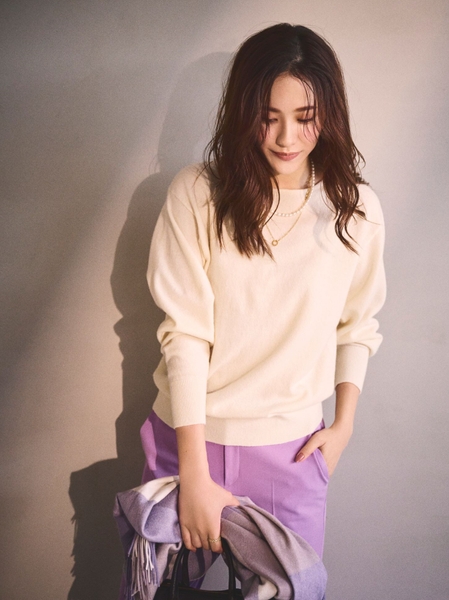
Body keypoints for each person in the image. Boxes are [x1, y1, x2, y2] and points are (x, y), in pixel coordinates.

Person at [140, 23, 386, 564]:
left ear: (329, 114)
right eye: (268, 117)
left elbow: (358, 324)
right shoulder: (197, 193)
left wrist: (343, 426)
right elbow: (185, 334)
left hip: (292, 453)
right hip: (187, 442)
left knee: (299, 590)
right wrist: (194, 473)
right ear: (243, 113)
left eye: (304, 117)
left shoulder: (355, 210)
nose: (286, 138)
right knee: (157, 592)